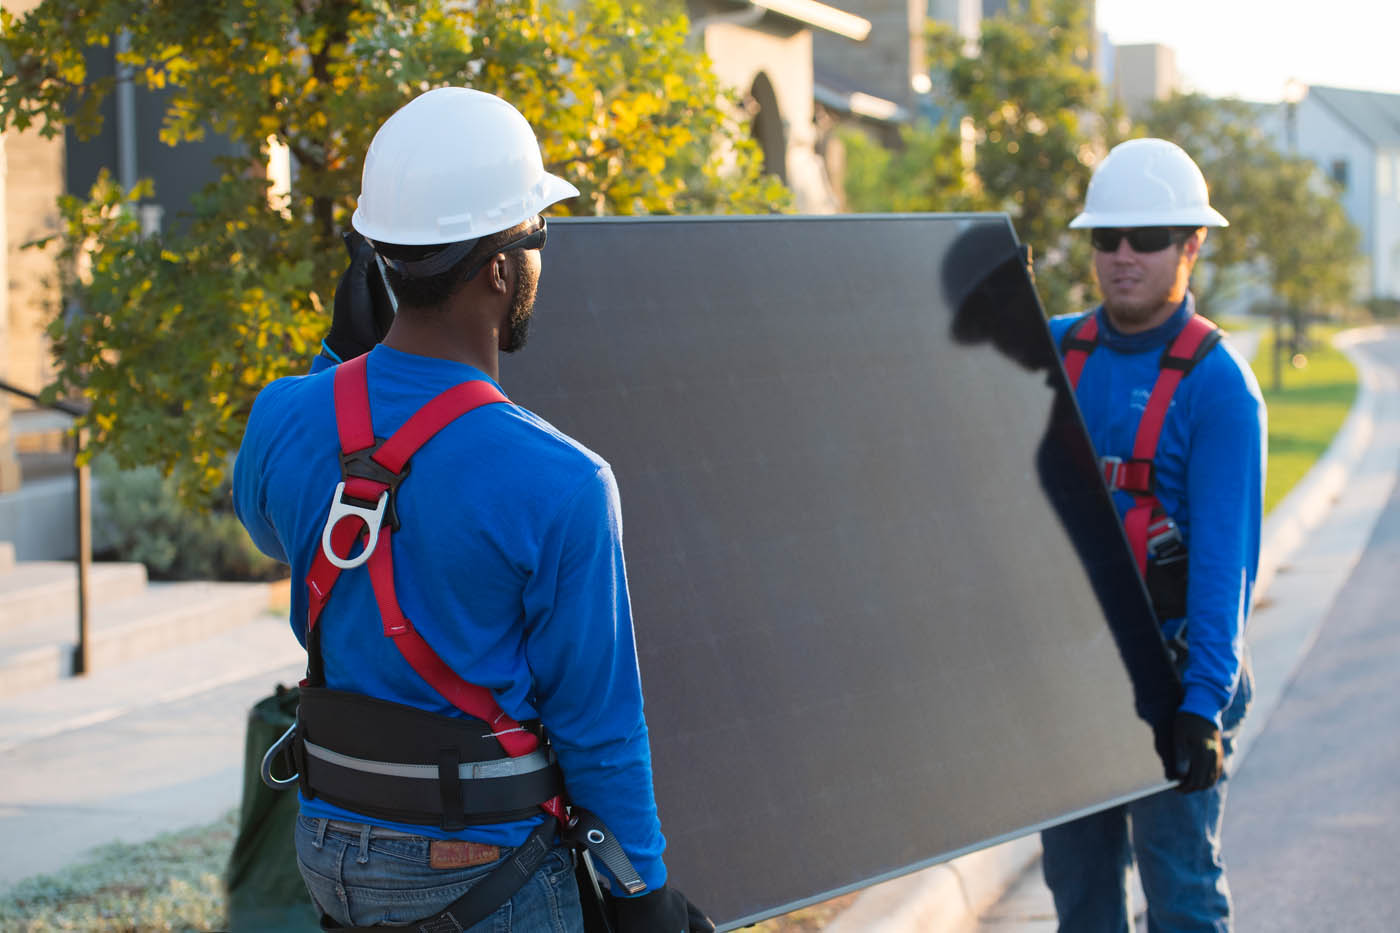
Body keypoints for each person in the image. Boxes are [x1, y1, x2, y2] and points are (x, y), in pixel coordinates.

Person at [234, 87, 711, 932]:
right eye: (538, 236)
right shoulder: (562, 480)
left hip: (332, 851)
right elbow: (598, 730)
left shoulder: (282, 415)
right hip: (482, 875)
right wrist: (644, 896)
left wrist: (336, 357)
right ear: (499, 268)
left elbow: (272, 526)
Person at [1039, 138, 1266, 932]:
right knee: (1079, 890)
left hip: (1174, 681)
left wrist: (1202, 703)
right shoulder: (1052, 351)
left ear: (1192, 245)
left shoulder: (1218, 387)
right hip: (1073, 680)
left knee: (1181, 892)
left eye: (1147, 237)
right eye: (1107, 238)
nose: (1123, 255)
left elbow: (1223, 567)